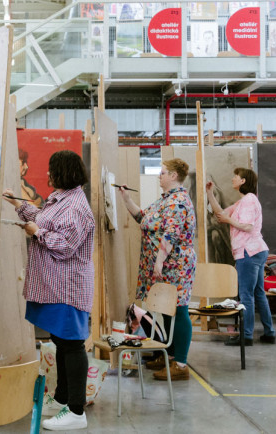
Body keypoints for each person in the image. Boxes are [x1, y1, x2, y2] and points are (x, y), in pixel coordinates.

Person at [2, 150, 94, 431]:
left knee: (72, 344)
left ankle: (76, 412)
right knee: (62, 341)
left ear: (64, 172)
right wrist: (18, 204)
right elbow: (44, 219)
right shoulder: (62, 198)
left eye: (53, 170)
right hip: (55, 286)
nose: (48, 175)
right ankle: (63, 398)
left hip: (67, 287)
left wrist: (36, 233)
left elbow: (65, 245)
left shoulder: (76, 206)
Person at [117, 158, 196, 381]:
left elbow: (170, 234)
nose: (159, 176)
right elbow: (143, 218)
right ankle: (169, 356)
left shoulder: (177, 201)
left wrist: (159, 261)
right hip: (166, 264)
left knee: (179, 310)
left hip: (175, 265)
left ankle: (180, 364)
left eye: (162, 173)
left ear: (173, 176)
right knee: (167, 309)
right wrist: (126, 199)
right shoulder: (165, 200)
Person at [207, 168, 276, 345]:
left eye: (236, 177)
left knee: (246, 295)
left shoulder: (249, 200)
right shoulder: (244, 201)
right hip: (255, 250)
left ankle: (246, 336)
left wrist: (228, 221)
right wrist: (210, 193)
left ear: (243, 181)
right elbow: (221, 214)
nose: (232, 179)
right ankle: (269, 332)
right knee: (258, 293)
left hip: (249, 251)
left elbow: (247, 226)